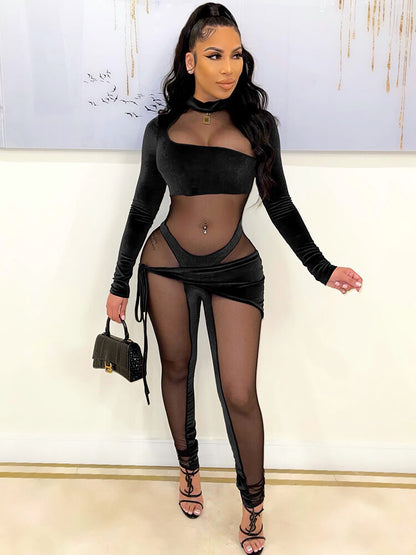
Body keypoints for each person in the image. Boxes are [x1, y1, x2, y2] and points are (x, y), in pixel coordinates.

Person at [106, 3, 363, 553]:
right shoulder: (160, 129)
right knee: (176, 369)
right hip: (166, 265)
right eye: (216, 55)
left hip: (236, 269)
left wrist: (322, 268)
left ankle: (253, 504)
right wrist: (120, 282)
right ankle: (189, 469)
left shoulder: (257, 127)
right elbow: (142, 207)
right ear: (190, 60)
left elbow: (280, 205)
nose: (229, 67)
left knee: (240, 392)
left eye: (237, 55)